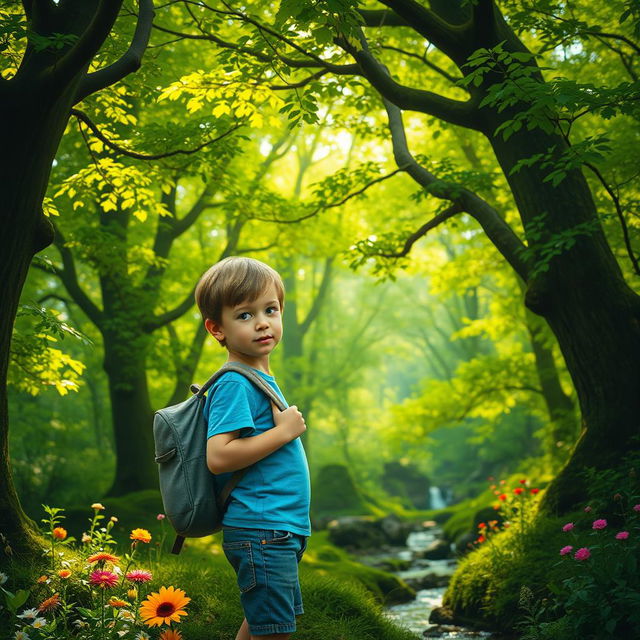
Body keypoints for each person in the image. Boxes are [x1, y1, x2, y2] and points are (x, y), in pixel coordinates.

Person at [195, 256, 311, 640]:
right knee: (273, 631)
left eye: (270, 310)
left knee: (265, 626)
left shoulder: (259, 377)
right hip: (262, 528)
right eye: (244, 315)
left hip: (277, 527)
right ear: (217, 329)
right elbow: (219, 456)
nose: (262, 322)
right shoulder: (236, 383)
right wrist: (284, 433)